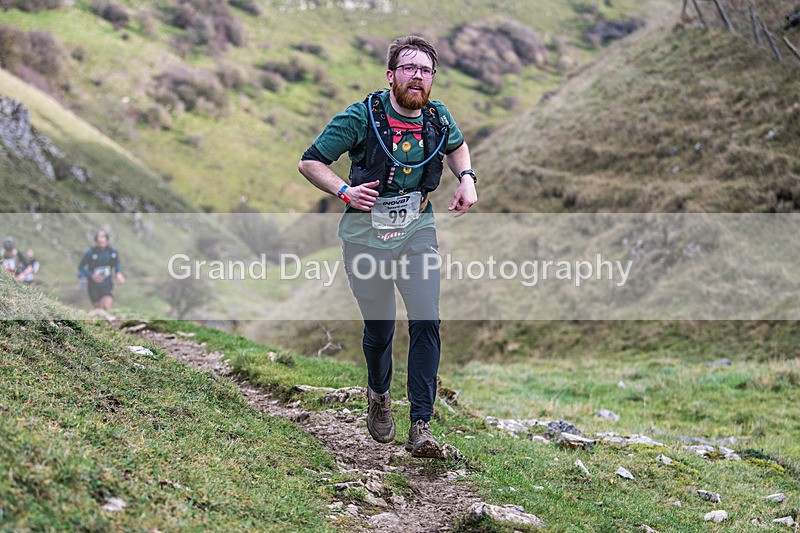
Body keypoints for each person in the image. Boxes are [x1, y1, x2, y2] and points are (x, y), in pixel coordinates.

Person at [298, 35, 477, 458]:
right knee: (379, 329)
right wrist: (345, 191)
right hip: (365, 239)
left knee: (426, 319)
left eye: (426, 70)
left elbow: (457, 147)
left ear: (432, 78)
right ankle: (379, 395)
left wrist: (467, 178)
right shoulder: (360, 118)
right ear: (391, 75)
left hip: (418, 232)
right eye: (410, 68)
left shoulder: (438, 117)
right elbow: (310, 161)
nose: (418, 76)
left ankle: (421, 425)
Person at [77, 229, 125, 311]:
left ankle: (109, 321)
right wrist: (91, 275)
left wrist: (118, 272)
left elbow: (116, 262)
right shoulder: (90, 252)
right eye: (99, 238)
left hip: (107, 283)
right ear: (96, 241)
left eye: (103, 237)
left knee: (107, 306)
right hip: (93, 285)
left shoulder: (112, 252)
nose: (101, 240)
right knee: (97, 309)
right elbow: (81, 267)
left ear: (107, 239)